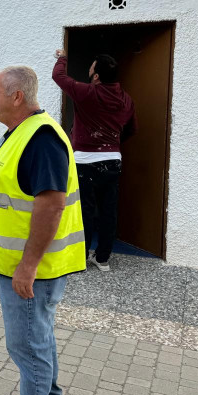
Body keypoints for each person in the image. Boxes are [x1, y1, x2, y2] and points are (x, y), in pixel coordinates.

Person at [0, 66, 85, 395]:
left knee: (26, 344)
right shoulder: (22, 133)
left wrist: (27, 265)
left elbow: (51, 205)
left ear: (17, 96)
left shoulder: (40, 138)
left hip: (32, 270)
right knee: (39, 338)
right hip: (27, 265)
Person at [52, 50, 137, 271]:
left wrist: (62, 57)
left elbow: (59, 77)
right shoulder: (126, 99)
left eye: (91, 67)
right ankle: (102, 259)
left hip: (85, 162)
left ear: (97, 76)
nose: (89, 70)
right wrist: (113, 144)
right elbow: (131, 129)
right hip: (112, 161)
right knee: (109, 211)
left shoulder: (87, 92)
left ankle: (81, 256)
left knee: (85, 211)